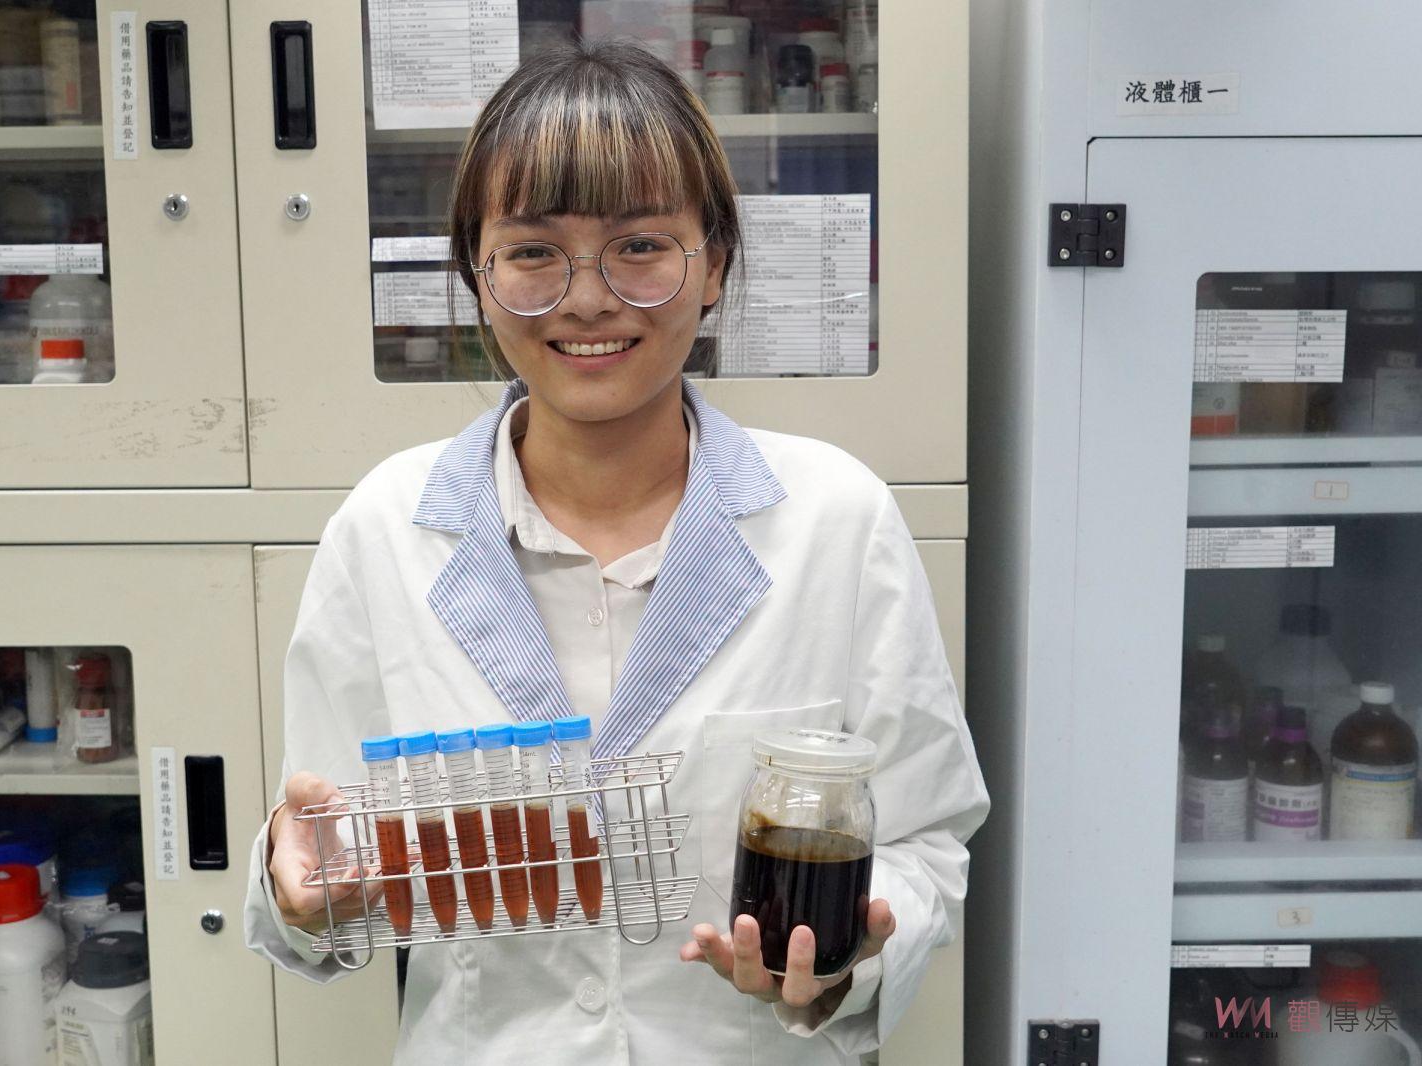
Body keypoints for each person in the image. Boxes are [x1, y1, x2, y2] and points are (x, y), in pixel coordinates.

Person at [243, 38, 988, 1065]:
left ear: (713, 263)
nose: (587, 298)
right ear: (477, 274)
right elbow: (319, 854)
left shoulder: (837, 521)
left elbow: (922, 835)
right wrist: (298, 887)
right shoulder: (384, 530)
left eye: (639, 245)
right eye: (533, 251)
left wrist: (846, 954)